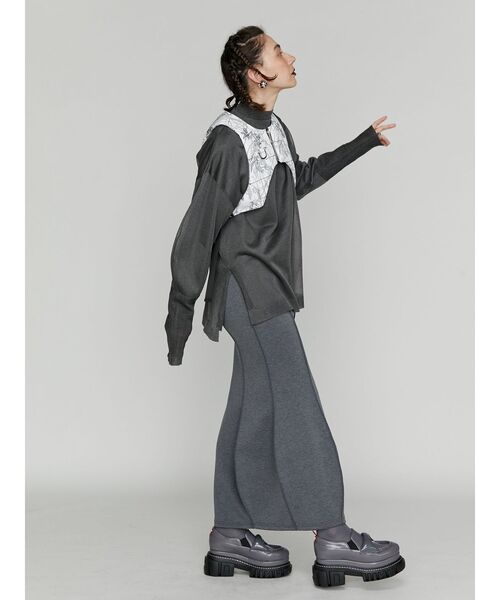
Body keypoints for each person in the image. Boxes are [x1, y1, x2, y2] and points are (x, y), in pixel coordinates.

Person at [164, 25, 405, 588]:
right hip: (248, 290)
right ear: (256, 73)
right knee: (298, 404)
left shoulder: (272, 127)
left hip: (267, 285)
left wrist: (363, 142)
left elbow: (296, 180)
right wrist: (180, 312)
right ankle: (333, 535)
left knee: (252, 405)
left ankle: (229, 532)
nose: (290, 56)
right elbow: (197, 230)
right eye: (277, 51)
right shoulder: (227, 141)